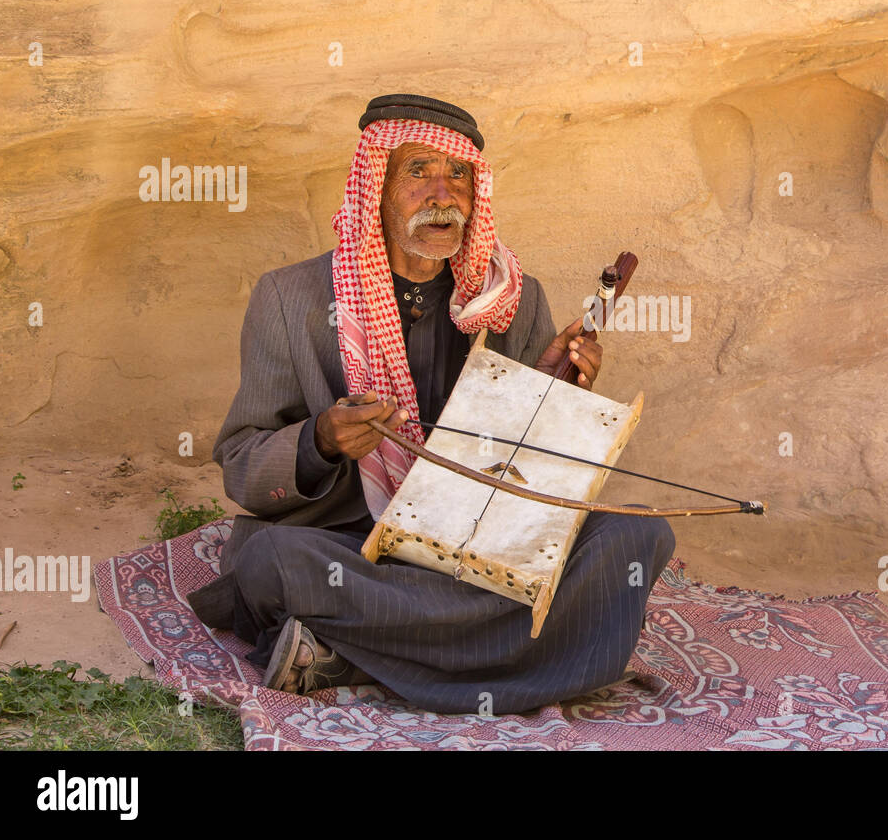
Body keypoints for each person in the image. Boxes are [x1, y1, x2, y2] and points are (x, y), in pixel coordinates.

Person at [186, 94, 674, 714]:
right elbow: (241, 465)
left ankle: (353, 656)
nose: (442, 194)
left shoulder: (513, 301)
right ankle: (548, 656)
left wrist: (552, 392)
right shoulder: (290, 299)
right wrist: (321, 442)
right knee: (273, 560)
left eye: (459, 175)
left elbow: (527, 467)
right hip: (354, 543)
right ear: (377, 187)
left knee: (639, 535)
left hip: (479, 544)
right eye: (418, 171)